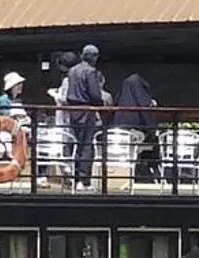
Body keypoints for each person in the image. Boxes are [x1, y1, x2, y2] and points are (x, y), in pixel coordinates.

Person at [62, 43, 109, 185]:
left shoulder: (72, 71)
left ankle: (75, 177)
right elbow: (95, 95)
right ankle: (84, 179)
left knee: (76, 144)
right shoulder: (90, 72)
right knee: (87, 145)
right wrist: (101, 105)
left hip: (73, 111)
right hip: (86, 111)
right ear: (93, 58)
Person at [111, 69, 158, 181]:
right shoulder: (139, 93)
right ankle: (152, 172)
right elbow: (145, 110)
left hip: (117, 133)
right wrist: (152, 129)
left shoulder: (122, 98)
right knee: (152, 141)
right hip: (133, 134)